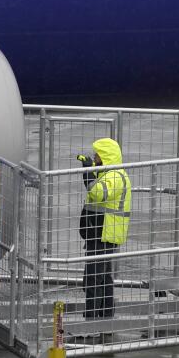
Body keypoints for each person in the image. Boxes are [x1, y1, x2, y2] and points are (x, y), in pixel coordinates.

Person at [76, 138, 132, 321]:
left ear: (105, 157)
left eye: (97, 155)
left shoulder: (115, 176)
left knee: (94, 278)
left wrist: (87, 171)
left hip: (105, 233)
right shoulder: (108, 174)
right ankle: (105, 317)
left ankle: (91, 322)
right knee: (103, 276)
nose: (94, 157)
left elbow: (97, 192)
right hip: (100, 233)